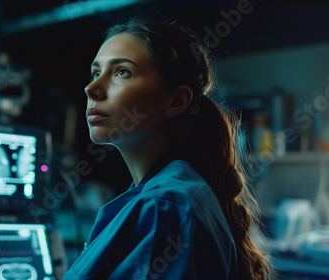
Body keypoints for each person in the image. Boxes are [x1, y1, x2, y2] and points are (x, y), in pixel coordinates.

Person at [63, 18, 273, 280]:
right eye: (96, 73)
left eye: (121, 72)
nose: (91, 89)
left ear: (175, 101)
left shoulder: (166, 205)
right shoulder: (166, 194)